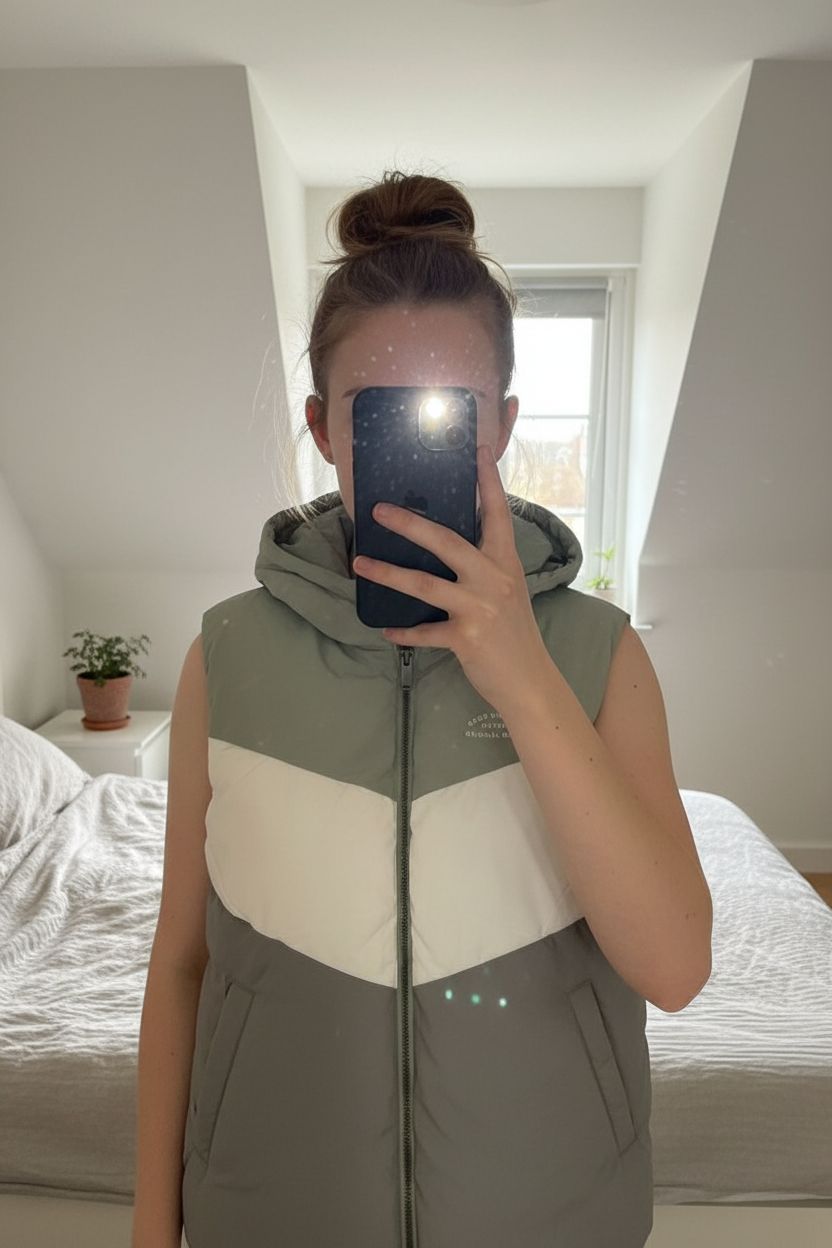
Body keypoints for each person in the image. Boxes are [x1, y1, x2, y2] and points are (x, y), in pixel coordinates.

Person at [132, 169, 712, 1248]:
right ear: (322, 427)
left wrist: (523, 677)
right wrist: (150, 1230)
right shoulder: (229, 654)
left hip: (551, 1217)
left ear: (502, 426)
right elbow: (182, 963)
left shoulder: (600, 653)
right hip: (269, 1214)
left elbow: (674, 970)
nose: (417, 444)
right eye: (378, 413)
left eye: (453, 413)